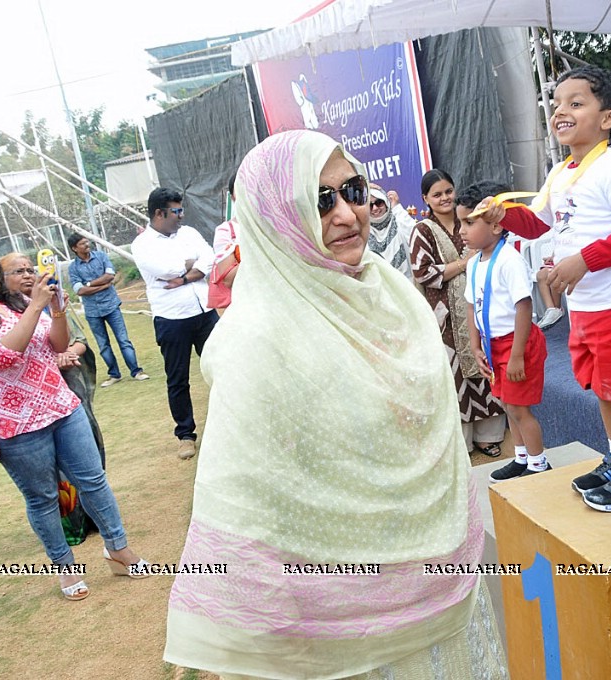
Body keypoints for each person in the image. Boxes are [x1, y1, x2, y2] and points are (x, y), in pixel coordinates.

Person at [163, 130, 506, 679]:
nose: (349, 214)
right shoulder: (256, 339)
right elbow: (249, 501)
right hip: (341, 628)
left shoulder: (386, 293)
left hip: (439, 589)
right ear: (276, 217)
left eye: (352, 190)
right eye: (321, 200)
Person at [480, 65, 611, 513]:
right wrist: (501, 216)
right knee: (603, 389)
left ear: (609, 118)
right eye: (558, 103)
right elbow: (539, 222)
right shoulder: (561, 171)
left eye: (576, 103)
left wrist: (585, 260)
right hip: (586, 307)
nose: (561, 111)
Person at [0, 239, 148, 601]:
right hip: (15, 426)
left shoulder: (14, 301)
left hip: (61, 406)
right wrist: (37, 305)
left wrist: (58, 309)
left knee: (93, 481)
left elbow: (56, 345)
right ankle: (66, 568)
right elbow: (3, 354)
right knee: (44, 499)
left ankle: (118, 549)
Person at [2, 252, 108, 540]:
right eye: (17, 271)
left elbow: (79, 340)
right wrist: (53, 358)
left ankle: (97, 518)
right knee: (53, 471)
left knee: (89, 456)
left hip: (71, 392)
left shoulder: (53, 299)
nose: (27, 275)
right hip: (34, 408)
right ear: (1, 279)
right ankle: (73, 525)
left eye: (29, 269)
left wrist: (67, 353)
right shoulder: (1, 315)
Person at [456, 181, 550, 482]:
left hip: (516, 344)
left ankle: (538, 464)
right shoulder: (473, 264)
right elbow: (471, 305)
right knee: (508, 405)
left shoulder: (509, 260)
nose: (462, 230)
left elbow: (524, 308)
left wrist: (518, 355)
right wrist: (475, 344)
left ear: (496, 225)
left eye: (469, 222)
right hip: (493, 344)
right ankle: (522, 458)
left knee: (520, 408)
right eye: (461, 223)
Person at [409, 169, 506, 458]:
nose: (445, 198)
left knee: (484, 368)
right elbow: (423, 272)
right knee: (455, 378)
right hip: (444, 317)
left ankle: (489, 436)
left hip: (478, 307)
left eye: (448, 191)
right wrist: (464, 264)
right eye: (437, 194)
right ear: (426, 198)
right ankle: (460, 443)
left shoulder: (471, 218)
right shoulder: (422, 230)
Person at [132, 187, 218, 460]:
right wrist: (193, 266)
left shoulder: (189, 233)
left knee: (223, 365)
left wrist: (185, 277)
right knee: (178, 379)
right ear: (159, 213)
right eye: (176, 211)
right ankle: (185, 435)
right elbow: (165, 268)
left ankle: (233, 419)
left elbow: (211, 257)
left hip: (205, 312)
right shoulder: (142, 244)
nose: (181, 216)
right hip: (172, 318)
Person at [66, 233, 149, 386]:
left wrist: (89, 284)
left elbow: (109, 276)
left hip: (111, 306)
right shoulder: (73, 268)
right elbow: (79, 290)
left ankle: (136, 371)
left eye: (87, 242)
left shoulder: (101, 256)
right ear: (74, 248)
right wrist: (100, 286)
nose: (87, 245)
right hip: (92, 311)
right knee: (103, 345)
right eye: (83, 244)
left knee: (123, 340)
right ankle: (114, 375)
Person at [367, 182, 416, 278]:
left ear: (386, 203)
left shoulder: (399, 220)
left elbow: (415, 237)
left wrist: (397, 208)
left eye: (379, 202)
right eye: (370, 205)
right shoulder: (365, 233)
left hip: (410, 286)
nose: (375, 208)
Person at [209, 172, 240, 313]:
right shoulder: (225, 231)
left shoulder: (274, 225)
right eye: (242, 190)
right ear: (233, 197)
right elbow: (229, 279)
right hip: (244, 307)